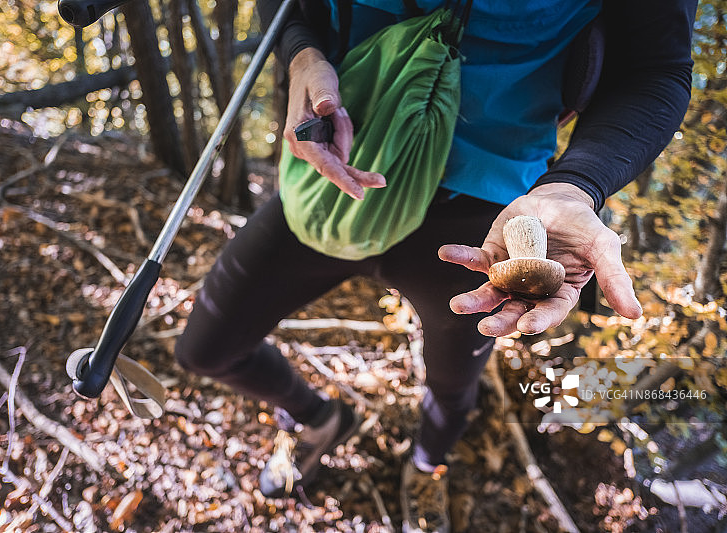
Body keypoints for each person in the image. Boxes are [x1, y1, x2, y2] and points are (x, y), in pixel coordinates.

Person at [175, 0, 696, 530]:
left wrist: (577, 183)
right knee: (207, 349)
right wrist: (300, 54)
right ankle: (321, 420)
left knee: (451, 382)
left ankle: (427, 464)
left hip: (481, 213)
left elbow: (656, 67)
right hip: (336, 181)